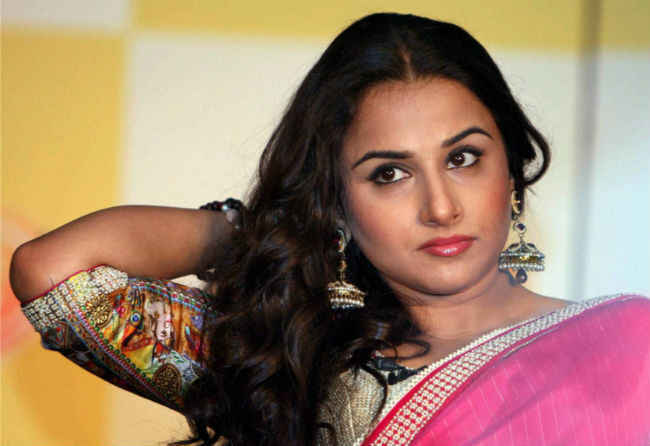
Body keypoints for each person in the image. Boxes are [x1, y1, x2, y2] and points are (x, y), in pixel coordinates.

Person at [10, 12, 649, 446]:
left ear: (510, 166)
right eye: (389, 174)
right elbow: (54, 273)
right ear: (336, 203)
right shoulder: (291, 361)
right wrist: (273, 233)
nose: (441, 207)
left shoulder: (628, 343)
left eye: (463, 158)